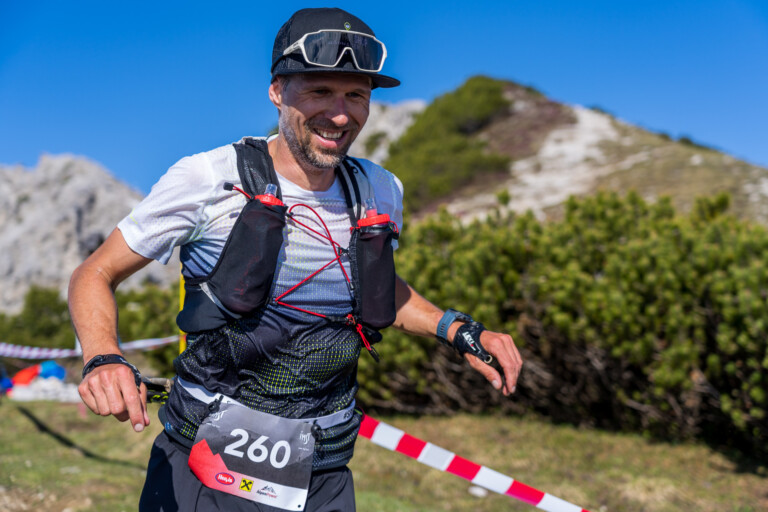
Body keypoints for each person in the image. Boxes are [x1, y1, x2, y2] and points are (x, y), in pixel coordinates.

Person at [68, 7, 523, 512]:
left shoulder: (380, 189)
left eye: (356, 96)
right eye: (320, 91)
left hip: (323, 476)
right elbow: (95, 273)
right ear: (277, 91)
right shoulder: (208, 178)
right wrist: (103, 358)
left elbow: (375, 289)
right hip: (202, 468)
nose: (341, 115)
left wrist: (459, 331)